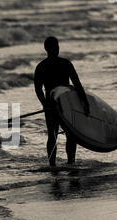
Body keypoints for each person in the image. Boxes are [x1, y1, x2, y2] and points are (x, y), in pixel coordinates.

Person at [34, 36, 89, 167]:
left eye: (57, 47)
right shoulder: (47, 66)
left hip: (63, 104)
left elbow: (77, 84)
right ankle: (53, 164)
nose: (56, 50)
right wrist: (45, 105)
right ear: (47, 49)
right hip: (55, 105)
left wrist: (84, 102)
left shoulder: (53, 65)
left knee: (68, 134)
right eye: (54, 47)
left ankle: (70, 162)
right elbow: (38, 89)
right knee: (54, 135)